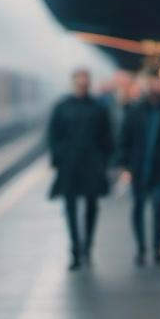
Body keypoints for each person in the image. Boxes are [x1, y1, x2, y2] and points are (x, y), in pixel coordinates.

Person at [47, 68, 114, 269]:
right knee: (70, 208)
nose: (82, 86)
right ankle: (76, 249)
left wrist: (105, 160)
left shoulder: (98, 108)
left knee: (91, 206)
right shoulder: (62, 107)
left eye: (84, 83)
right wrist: (58, 158)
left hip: (91, 164)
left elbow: (107, 136)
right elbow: (53, 135)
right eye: (79, 82)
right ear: (74, 83)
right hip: (70, 165)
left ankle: (87, 247)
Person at [118, 73, 160, 265]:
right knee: (139, 208)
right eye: (152, 82)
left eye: (158, 82)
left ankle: (158, 246)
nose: (155, 86)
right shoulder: (135, 110)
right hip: (139, 169)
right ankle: (141, 247)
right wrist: (124, 166)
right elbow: (125, 139)